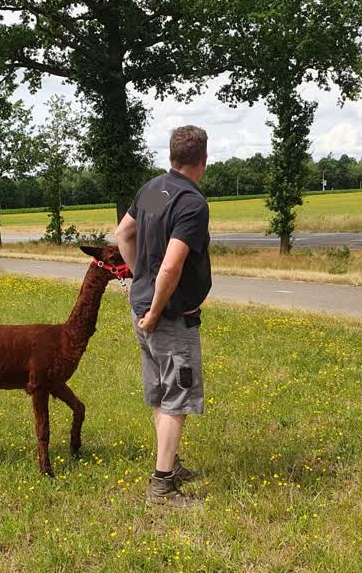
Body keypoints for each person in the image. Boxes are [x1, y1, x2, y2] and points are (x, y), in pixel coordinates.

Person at [115, 125, 212, 508]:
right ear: (203, 160)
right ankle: (162, 487)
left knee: (161, 391)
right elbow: (172, 266)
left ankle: (170, 463)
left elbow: (123, 234)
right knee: (177, 396)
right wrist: (156, 309)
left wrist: (140, 279)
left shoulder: (153, 190)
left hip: (142, 308)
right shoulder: (192, 203)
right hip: (168, 316)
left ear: (172, 156)